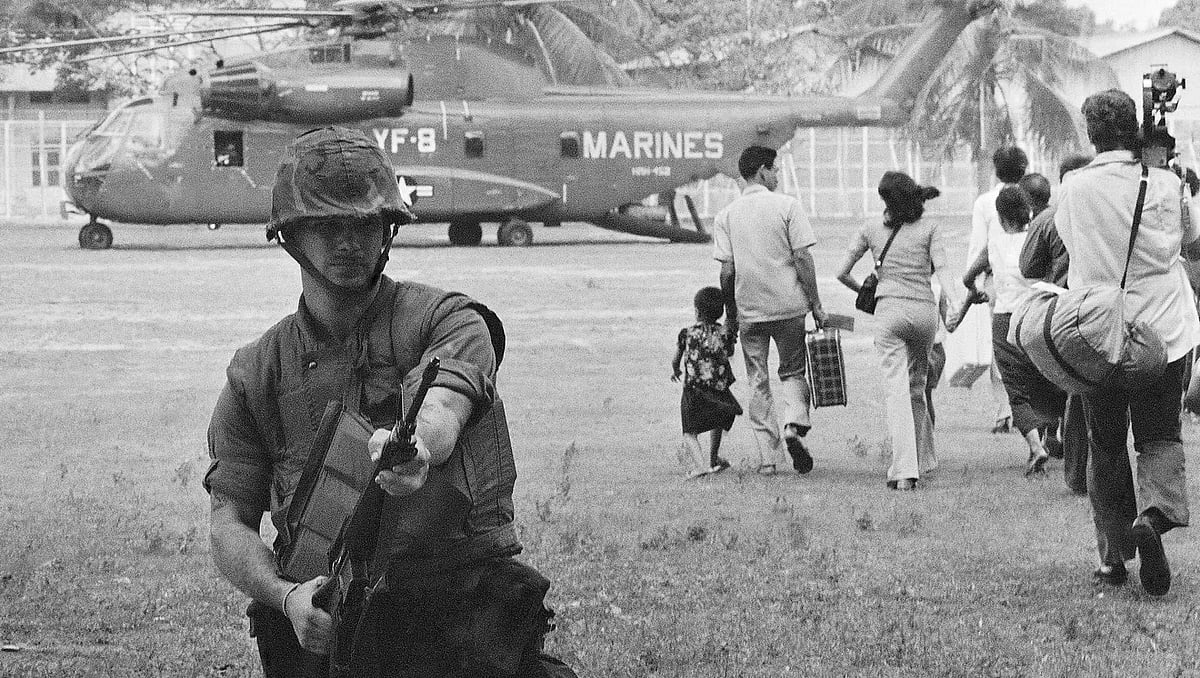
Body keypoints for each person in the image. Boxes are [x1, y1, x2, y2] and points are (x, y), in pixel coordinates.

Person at [204, 127, 574, 677]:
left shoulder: (448, 320)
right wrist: (286, 599)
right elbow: (228, 523)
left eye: (365, 224)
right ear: (290, 236)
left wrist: (418, 451)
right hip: (325, 622)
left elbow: (444, 404)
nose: (349, 242)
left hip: (452, 611)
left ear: (388, 231)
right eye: (327, 227)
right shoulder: (256, 371)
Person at [1056, 89, 1200, 596]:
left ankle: (1114, 558)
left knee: (1106, 443)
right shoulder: (1165, 184)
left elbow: (1069, 247)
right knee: (1159, 436)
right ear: (1135, 130)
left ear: (1091, 134)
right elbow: (1192, 245)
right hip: (1163, 330)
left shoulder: (1071, 188)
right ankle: (1155, 517)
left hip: (1097, 336)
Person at [836, 171, 961, 490]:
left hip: (889, 311)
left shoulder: (871, 228)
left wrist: (867, 293)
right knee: (917, 387)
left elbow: (842, 272)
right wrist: (956, 302)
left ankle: (905, 470)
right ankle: (921, 460)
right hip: (924, 314)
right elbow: (943, 268)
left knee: (896, 391)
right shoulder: (930, 227)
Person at [713, 145, 828, 476]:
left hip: (751, 310)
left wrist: (731, 316)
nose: (777, 175)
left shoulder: (727, 216)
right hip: (790, 307)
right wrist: (815, 304)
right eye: (775, 169)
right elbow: (803, 258)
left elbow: (726, 273)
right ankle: (794, 424)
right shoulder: (788, 206)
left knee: (758, 380)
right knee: (793, 371)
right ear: (762, 170)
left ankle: (768, 459)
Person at [962, 186, 1065, 477]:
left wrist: (977, 292)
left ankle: (1036, 446)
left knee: (1017, 391)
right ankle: (1052, 433)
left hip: (1005, 322)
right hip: (1037, 318)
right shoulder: (1038, 238)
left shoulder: (993, 244)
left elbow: (968, 277)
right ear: (1028, 211)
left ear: (999, 215)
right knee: (1049, 378)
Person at [1018, 154, 1094, 496]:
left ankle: (1061, 445)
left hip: (1064, 308)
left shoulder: (1049, 218)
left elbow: (1029, 267)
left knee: (1065, 382)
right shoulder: (1106, 211)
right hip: (1104, 306)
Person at [966, 147, 1027, 434]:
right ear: (1024, 168)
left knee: (1000, 346)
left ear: (995, 169)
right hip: (1032, 279)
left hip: (996, 280)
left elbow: (978, 246)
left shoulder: (985, 202)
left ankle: (1005, 412)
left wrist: (973, 289)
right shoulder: (1033, 195)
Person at [671, 286, 739, 479]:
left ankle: (700, 466)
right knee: (717, 421)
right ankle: (713, 459)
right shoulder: (724, 333)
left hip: (693, 390)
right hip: (719, 390)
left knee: (689, 432)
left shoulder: (687, 333)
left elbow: (676, 358)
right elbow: (730, 352)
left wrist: (676, 370)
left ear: (697, 311)